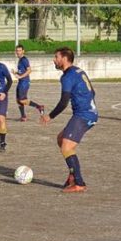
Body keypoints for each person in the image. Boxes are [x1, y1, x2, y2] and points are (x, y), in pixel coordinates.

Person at [40, 47, 98, 193]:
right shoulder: (78, 71)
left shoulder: (67, 77)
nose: (54, 60)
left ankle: (79, 183)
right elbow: (93, 91)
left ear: (64, 59)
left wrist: (50, 116)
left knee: (66, 146)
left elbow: (64, 101)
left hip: (84, 115)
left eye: (56, 57)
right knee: (61, 139)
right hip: (86, 112)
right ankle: (72, 175)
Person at [12, 44, 45, 122]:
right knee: (18, 100)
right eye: (17, 51)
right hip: (21, 82)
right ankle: (23, 116)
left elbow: (29, 70)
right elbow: (22, 70)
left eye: (20, 51)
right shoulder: (20, 60)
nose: (18, 52)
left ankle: (39, 107)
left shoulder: (24, 59)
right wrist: (16, 72)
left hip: (24, 82)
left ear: (23, 51)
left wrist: (20, 77)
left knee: (22, 100)